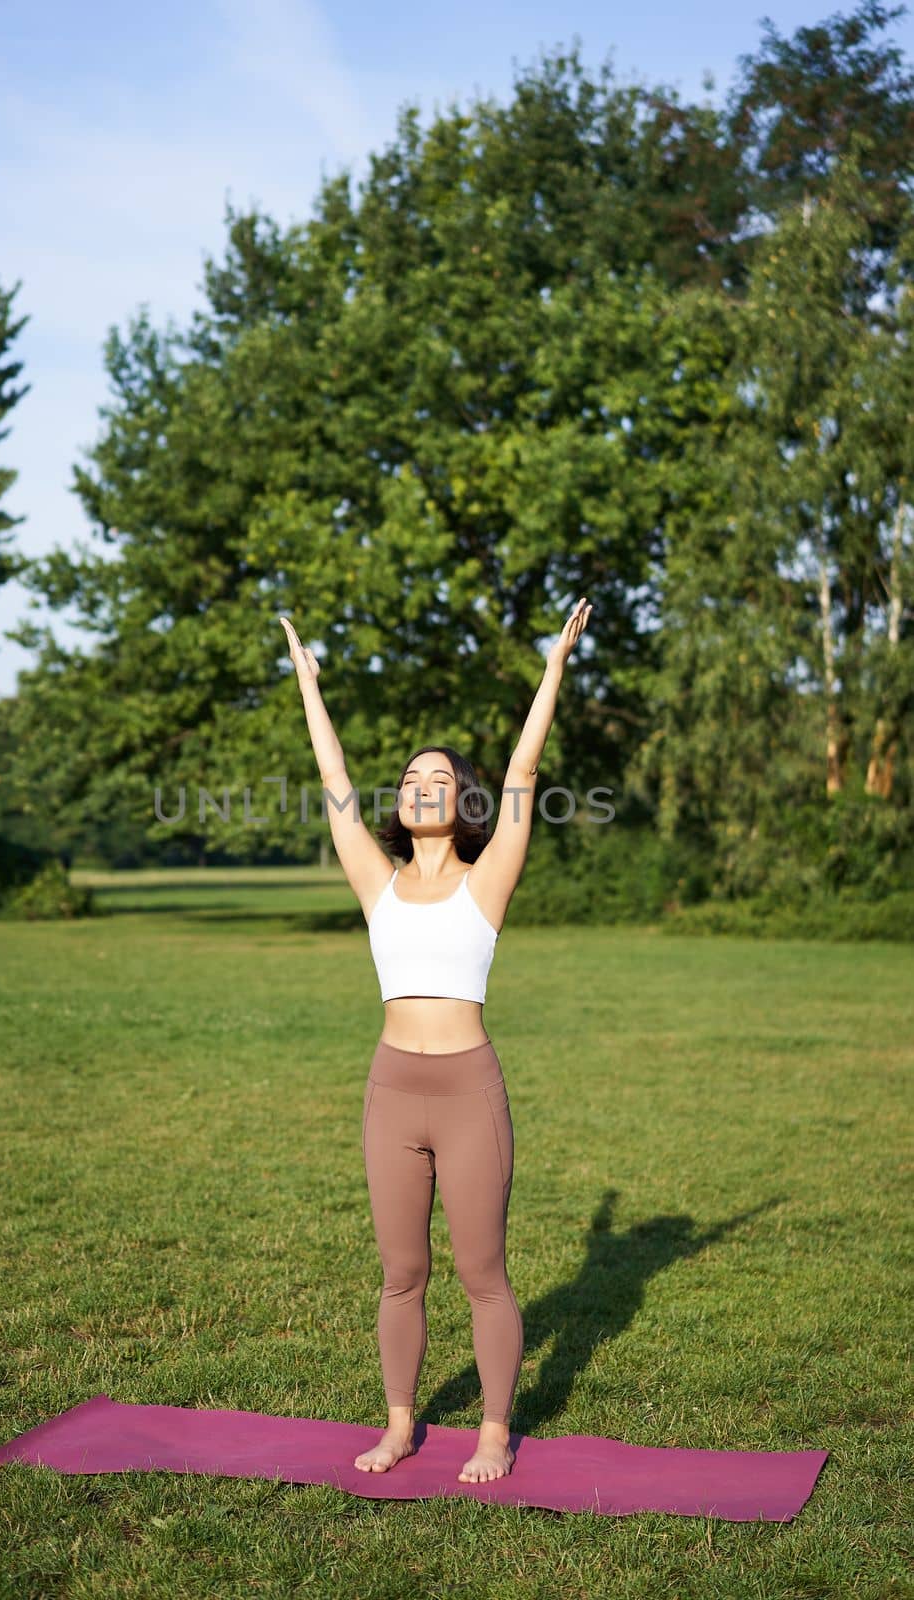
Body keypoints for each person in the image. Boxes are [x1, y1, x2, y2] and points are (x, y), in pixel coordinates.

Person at [279, 599, 592, 1482]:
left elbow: (527, 767)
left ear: (461, 803)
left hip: (467, 1091)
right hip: (391, 1090)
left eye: (437, 779)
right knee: (400, 1272)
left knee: (483, 1272)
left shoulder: (486, 882)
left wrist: (552, 670)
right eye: (409, 779)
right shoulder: (374, 882)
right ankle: (400, 1423)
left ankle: (494, 1430)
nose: (419, 785)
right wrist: (309, 686)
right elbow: (332, 777)